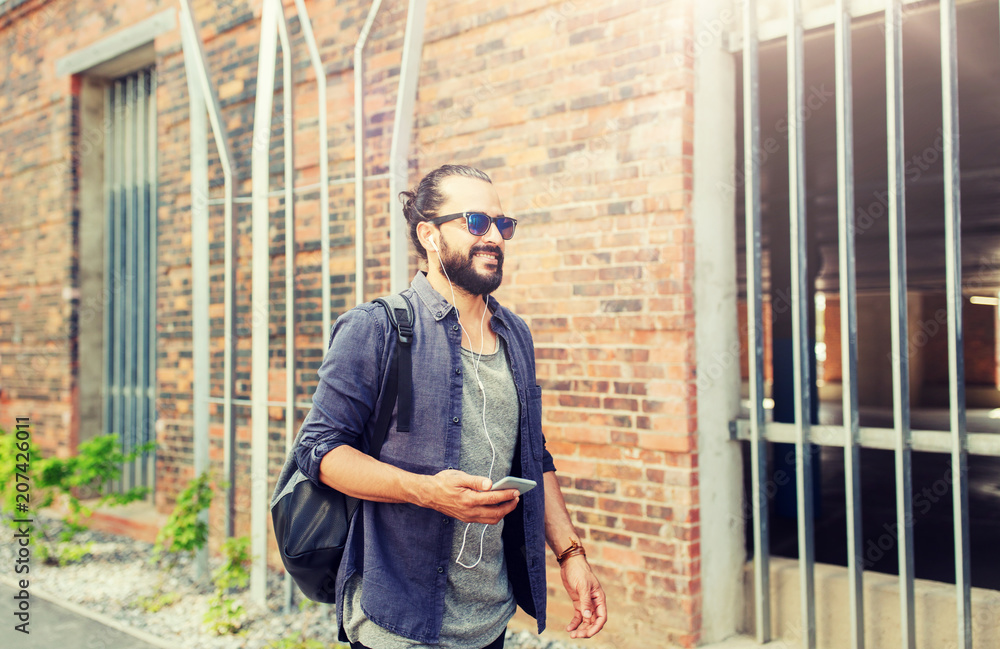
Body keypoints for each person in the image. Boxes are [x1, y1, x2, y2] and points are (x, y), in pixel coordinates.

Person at [295, 164, 607, 649]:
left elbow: (533, 456)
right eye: (476, 223)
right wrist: (424, 491)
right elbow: (318, 450)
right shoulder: (374, 329)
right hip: (398, 622)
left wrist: (571, 554)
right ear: (429, 235)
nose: (495, 238)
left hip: (489, 621)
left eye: (502, 225)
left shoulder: (516, 335)